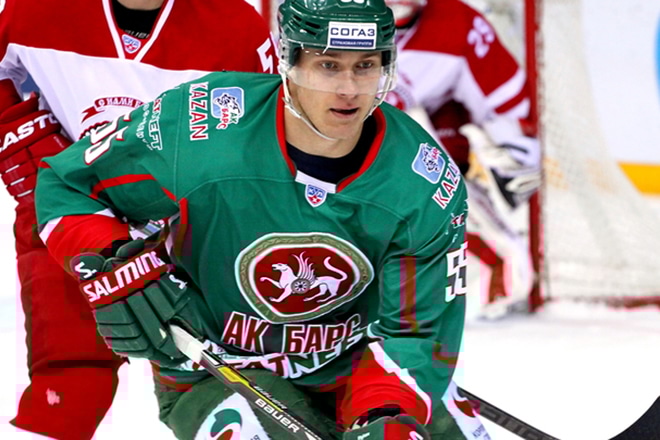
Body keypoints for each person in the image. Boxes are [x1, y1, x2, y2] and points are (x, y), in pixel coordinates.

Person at [34, 0, 492, 438]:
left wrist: (385, 411)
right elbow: (70, 184)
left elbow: (416, 334)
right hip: (215, 369)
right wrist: (114, 262)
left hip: (359, 368)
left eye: (365, 65)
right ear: (288, 61)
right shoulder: (201, 126)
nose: (349, 89)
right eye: (328, 65)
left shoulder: (423, 180)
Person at [0, 0, 276, 438]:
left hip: (190, 229)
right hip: (71, 211)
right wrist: (14, 130)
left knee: (225, 388)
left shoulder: (236, 27)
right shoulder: (34, 11)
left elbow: (268, 137)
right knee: (68, 384)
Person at [384, 0, 541, 318]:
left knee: (508, 270)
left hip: (401, 172)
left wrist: (511, 156)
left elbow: (513, 116)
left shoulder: (456, 25)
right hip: (316, 173)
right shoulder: (313, 19)